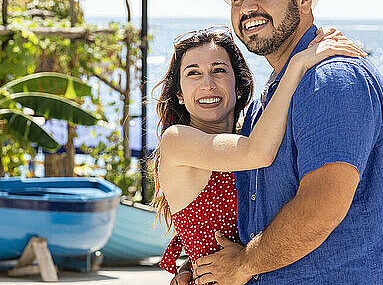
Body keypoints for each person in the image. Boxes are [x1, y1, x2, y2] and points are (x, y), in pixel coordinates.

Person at [168, 0, 383, 285]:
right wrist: (194, 258)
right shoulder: (268, 103)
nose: (248, 7)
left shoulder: (331, 78)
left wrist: (243, 265)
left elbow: (322, 205)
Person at [154, 25, 365, 282]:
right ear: (179, 94)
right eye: (193, 74)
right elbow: (258, 154)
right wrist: (296, 66)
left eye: (218, 70)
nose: (207, 84)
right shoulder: (177, 140)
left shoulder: (252, 133)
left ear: (239, 85)